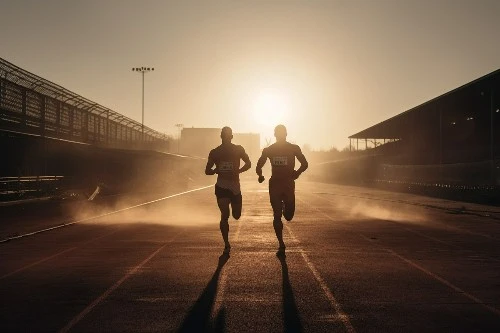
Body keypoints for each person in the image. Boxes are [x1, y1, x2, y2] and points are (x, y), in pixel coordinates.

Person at [256, 124, 308, 255]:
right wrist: (260, 175)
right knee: (277, 215)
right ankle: (281, 243)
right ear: (275, 135)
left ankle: (285, 207)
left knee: (289, 216)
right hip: (275, 184)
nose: (279, 135)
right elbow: (259, 165)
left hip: (288, 184)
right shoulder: (269, 150)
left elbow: (305, 164)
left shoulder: (293, 148)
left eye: (281, 133)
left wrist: (297, 173)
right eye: (278, 133)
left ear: (286, 134)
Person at [205, 126, 251, 253]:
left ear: (231, 137)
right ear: (221, 137)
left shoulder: (238, 149)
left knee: (236, 215)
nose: (226, 137)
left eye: (228, 135)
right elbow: (207, 171)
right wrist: (216, 170)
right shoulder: (214, 152)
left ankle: (226, 242)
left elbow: (249, 163)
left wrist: (239, 170)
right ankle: (226, 244)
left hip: (235, 187)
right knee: (225, 215)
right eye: (224, 135)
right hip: (222, 186)